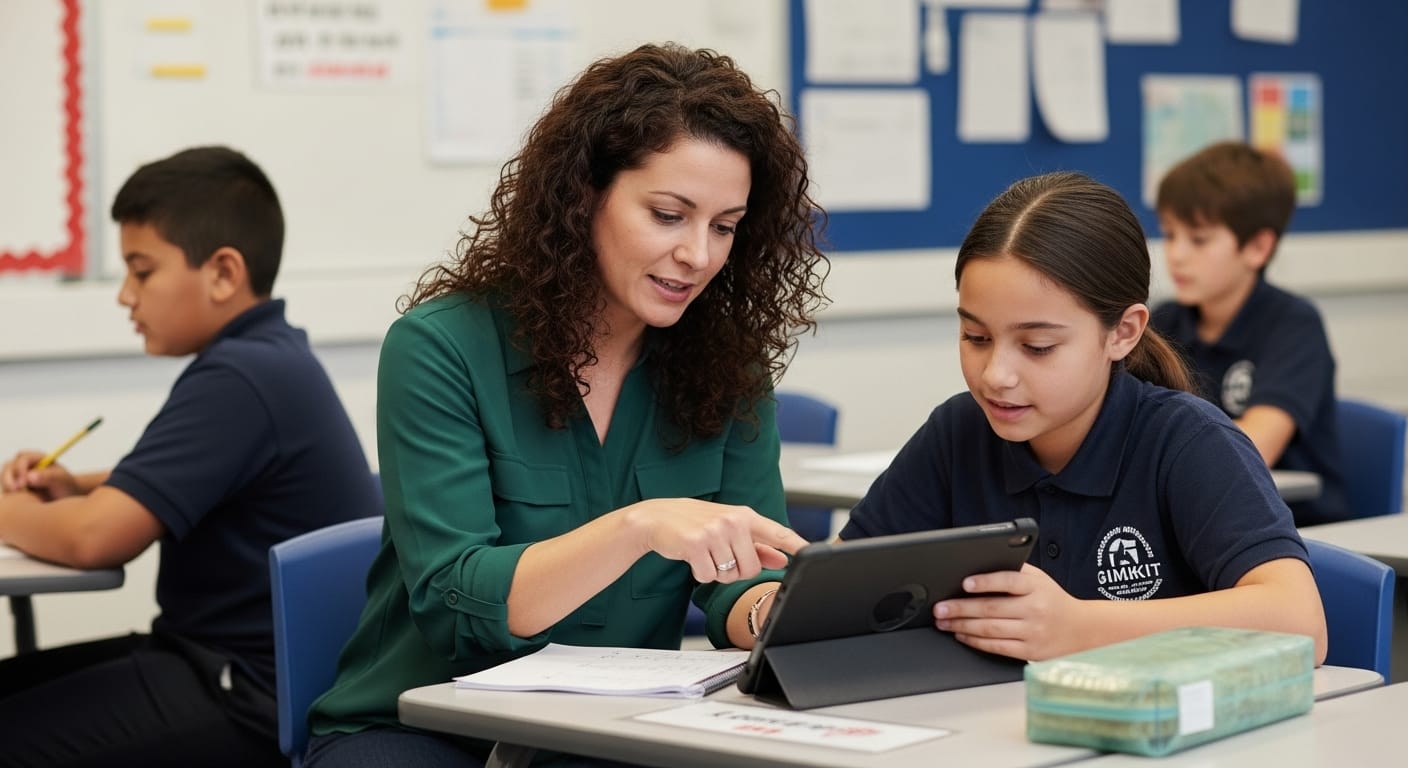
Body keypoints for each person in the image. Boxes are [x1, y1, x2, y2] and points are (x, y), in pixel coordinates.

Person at [305, 43, 826, 766]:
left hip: (612, 733)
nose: (699, 255)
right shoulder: (440, 347)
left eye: (725, 226)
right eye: (669, 214)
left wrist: (774, 613)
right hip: (422, 727)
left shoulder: (726, 368)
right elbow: (455, 598)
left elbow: (745, 581)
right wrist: (639, 526)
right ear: (584, 196)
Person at [837, 172, 1327, 664]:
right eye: (976, 338)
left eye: (1038, 346)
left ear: (1123, 332)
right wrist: (764, 603)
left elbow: (1301, 623)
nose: (996, 376)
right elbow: (834, 586)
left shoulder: (1188, 441)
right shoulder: (957, 433)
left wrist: (1078, 626)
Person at [0, 146, 381, 767]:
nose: (126, 295)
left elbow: (99, 540)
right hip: (225, 664)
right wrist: (79, 487)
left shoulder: (241, 375)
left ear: (223, 273)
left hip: (248, 694)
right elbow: (179, 485)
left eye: (141, 270)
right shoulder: (269, 355)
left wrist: (4, 509)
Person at [1150, 141, 1346, 525]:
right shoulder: (1164, 323)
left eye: (1199, 239)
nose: (1176, 254)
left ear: (1257, 247)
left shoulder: (1294, 325)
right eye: (1170, 235)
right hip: (1201, 519)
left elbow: (1253, 447)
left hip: (1297, 530)